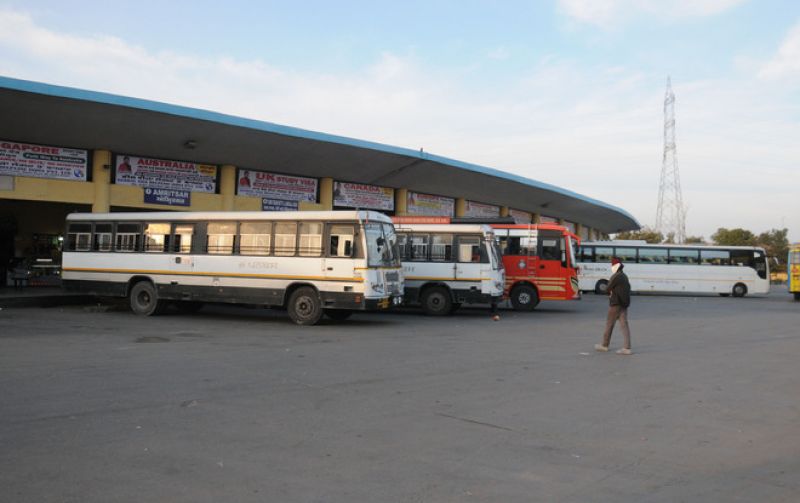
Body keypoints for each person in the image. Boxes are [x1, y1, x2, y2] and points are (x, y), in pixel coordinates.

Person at [595, 257, 633, 355]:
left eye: (612, 265)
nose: (611, 267)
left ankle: (604, 345)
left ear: (616, 266)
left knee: (609, 324)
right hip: (624, 304)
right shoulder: (624, 276)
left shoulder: (615, 276)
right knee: (624, 325)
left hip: (616, 304)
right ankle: (627, 348)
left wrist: (610, 291)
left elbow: (607, 288)